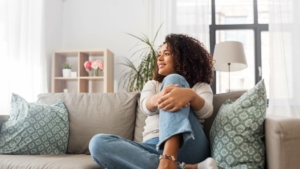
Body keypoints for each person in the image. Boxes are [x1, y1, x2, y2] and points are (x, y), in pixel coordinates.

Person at [89, 34, 218, 169]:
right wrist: (158, 97)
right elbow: (145, 106)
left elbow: (206, 111)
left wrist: (190, 95)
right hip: (153, 147)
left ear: (184, 57)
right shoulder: (153, 84)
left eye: (166, 53)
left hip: (189, 145)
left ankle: (169, 159)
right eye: (159, 54)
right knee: (97, 143)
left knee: (174, 79)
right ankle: (184, 167)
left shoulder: (200, 87)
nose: (159, 58)